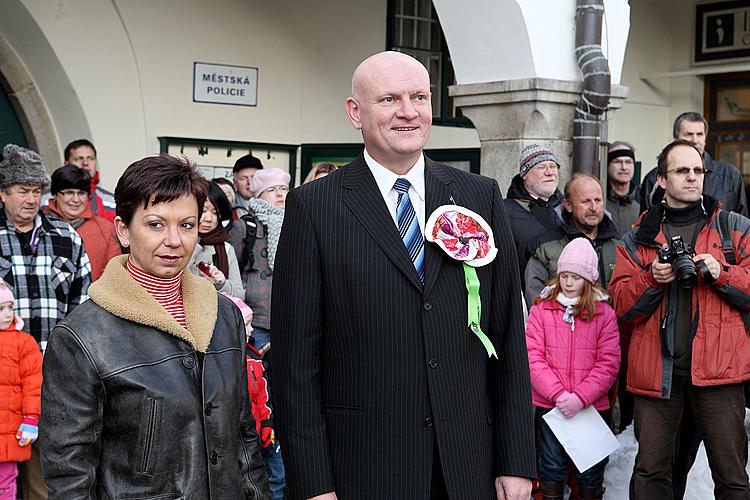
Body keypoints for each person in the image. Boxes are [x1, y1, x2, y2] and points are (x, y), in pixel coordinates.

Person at [272, 51, 535, 500]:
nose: (408, 112)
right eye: (390, 99)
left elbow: (508, 335)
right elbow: (295, 363)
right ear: (355, 112)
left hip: (468, 463)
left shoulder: (478, 195)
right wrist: (314, 483)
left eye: (419, 97)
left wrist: (516, 460)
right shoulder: (314, 207)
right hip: (364, 466)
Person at [39, 154, 270, 499]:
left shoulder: (224, 316)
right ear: (123, 230)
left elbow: (243, 437)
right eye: (156, 224)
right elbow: (68, 472)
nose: (174, 240)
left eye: (187, 225)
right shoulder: (82, 337)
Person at [610, 140, 750, 499]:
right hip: (659, 374)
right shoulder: (638, 238)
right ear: (661, 179)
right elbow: (622, 306)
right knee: (651, 476)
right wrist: (651, 279)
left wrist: (722, 272)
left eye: (697, 170)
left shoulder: (732, 228)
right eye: (681, 171)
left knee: (733, 478)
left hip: (720, 373)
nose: (692, 177)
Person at [0, 144, 91, 500]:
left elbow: (82, 310)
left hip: (50, 378)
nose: (30, 199)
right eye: (22, 191)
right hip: (3, 380)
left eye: (36, 191)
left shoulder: (66, 238)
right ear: (3, 192)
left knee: (44, 480)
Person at [526, 238, 620, 500]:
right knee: (551, 466)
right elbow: (533, 356)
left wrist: (580, 397)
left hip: (589, 406)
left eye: (576, 277)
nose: (568, 283)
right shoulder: (542, 310)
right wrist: (557, 395)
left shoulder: (604, 313)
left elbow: (608, 361)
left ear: (588, 280)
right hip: (551, 405)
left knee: (590, 471)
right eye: (564, 275)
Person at [524, 174, 619, 305]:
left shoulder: (618, 246)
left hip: (607, 325)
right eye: (585, 201)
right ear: (568, 205)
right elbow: (535, 299)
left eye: (597, 200)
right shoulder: (546, 248)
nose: (593, 207)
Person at [229, 167, 290, 353]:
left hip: (290, 314)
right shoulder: (244, 226)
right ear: (259, 195)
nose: (279, 193)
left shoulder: (299, 222)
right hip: (257, 316)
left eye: (283, 188)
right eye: (271, 190)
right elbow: (233, 268)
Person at [640, 112, 748, 217]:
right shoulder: (654, 178)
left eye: (700, 134)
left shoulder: (730, 175)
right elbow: (645, 223)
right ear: (676, 139)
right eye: (689, 134)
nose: (695, 140)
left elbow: (742, 224)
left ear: (705, 139)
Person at [0, 281, 42, 499]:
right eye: (1, 308)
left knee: (6, 482)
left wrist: (31, 419)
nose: (7, 314)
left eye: (10, 307)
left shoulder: (24, 343)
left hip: (9, 431)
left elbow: (33, 383)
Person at [45, 165, 120, 280]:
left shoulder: (106, 229)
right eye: (69, 192)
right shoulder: (39, 224)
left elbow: (112, 272)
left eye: (81, 193)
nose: (76, 200)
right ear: (55, 194)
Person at [505, 144, 564, 286]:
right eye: (541, 167)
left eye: (553, 166)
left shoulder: (569, 207)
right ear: (524, 175)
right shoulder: (506, 211)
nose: (550, 172)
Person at [187, 180, 243, 298]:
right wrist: (194, 241)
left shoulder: (226, 249)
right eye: (203, 211)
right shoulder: (176, 242)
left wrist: (221, 283)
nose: (209, 219)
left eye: (215, 212)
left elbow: (239, 294)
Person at [41, 139, 116, 222]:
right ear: (66, 164)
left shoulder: (111, 201)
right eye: (79, 159)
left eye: (91, 158)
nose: (85, 163)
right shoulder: (43, 199)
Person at [606, 141, 641, 236]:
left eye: (628, 162)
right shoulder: (598, 201)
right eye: (617, 162)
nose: (624, 167)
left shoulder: (642, 199)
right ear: (607, 165)